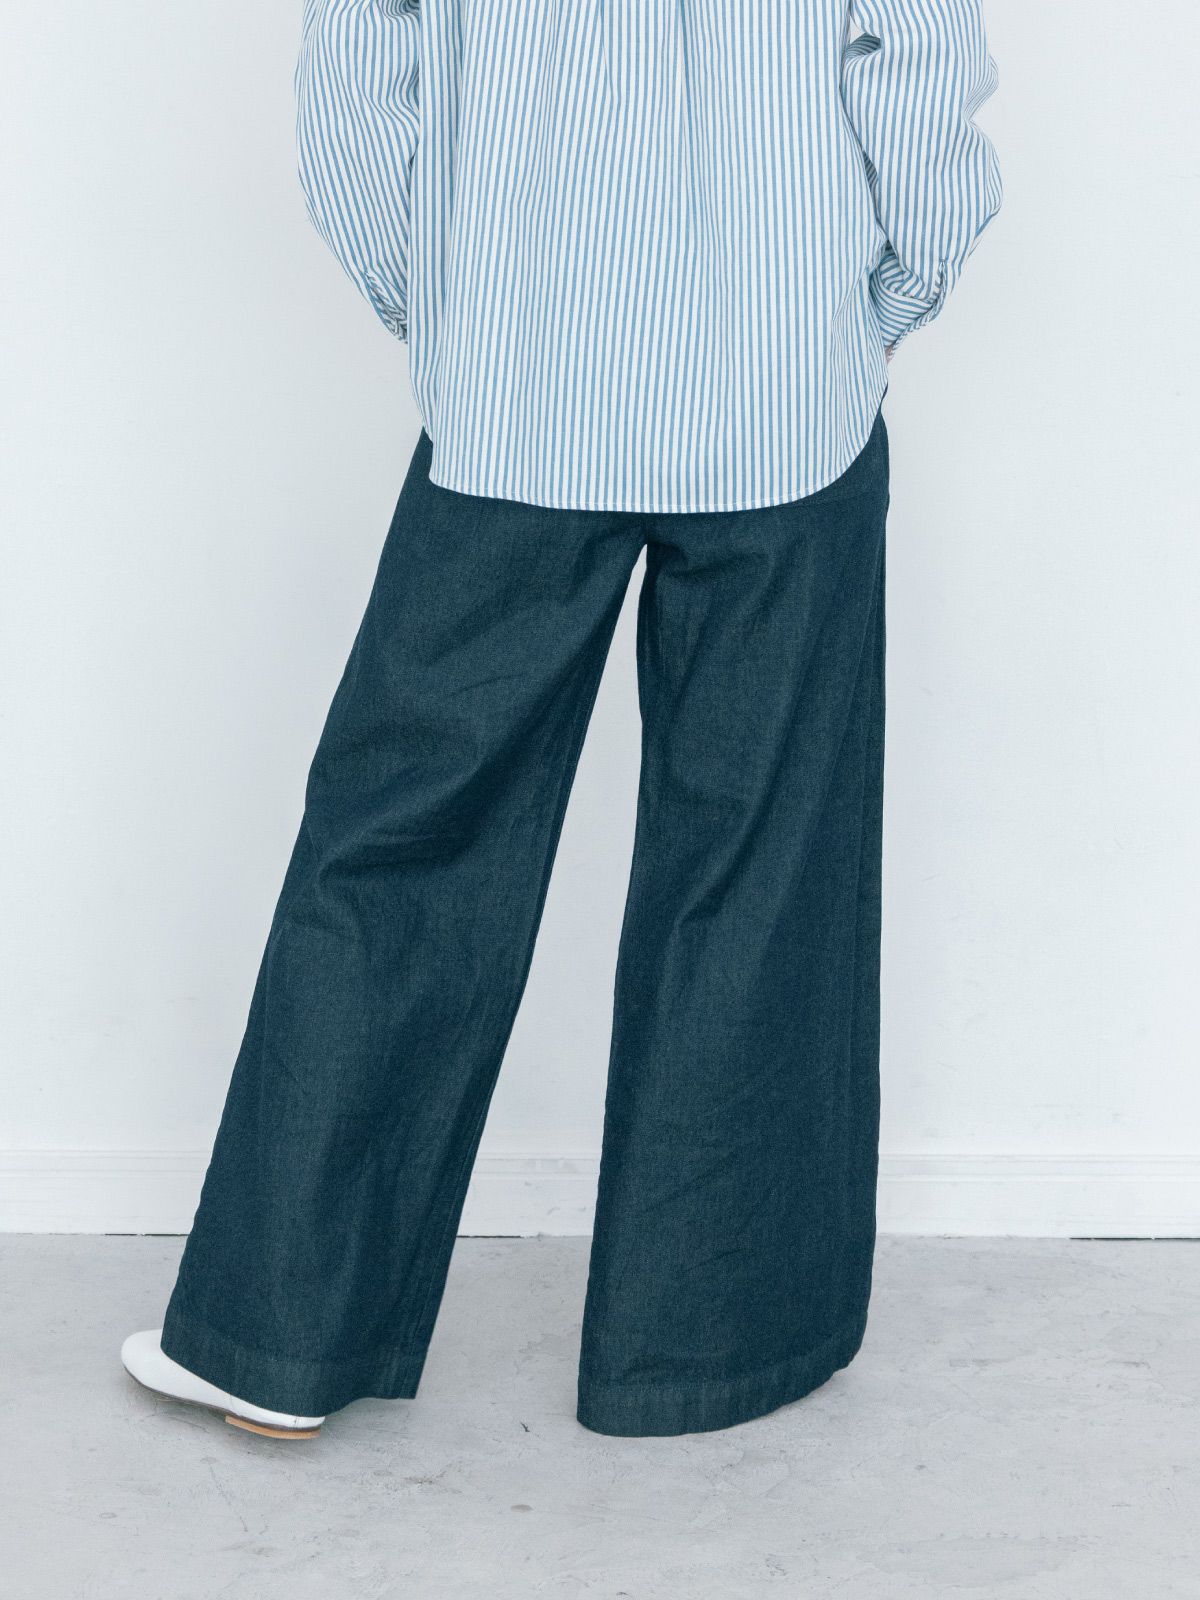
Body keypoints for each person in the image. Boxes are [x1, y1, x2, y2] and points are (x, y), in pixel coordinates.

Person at [122, 0, 1000, 1440]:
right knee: (759, 870)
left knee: (398, 841)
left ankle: (277, 1337)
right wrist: (880, 292)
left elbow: (355, 67)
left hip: (519, 383)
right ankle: (709, 1351)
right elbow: (915, 58)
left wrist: (453, 304)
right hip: (783, 378)